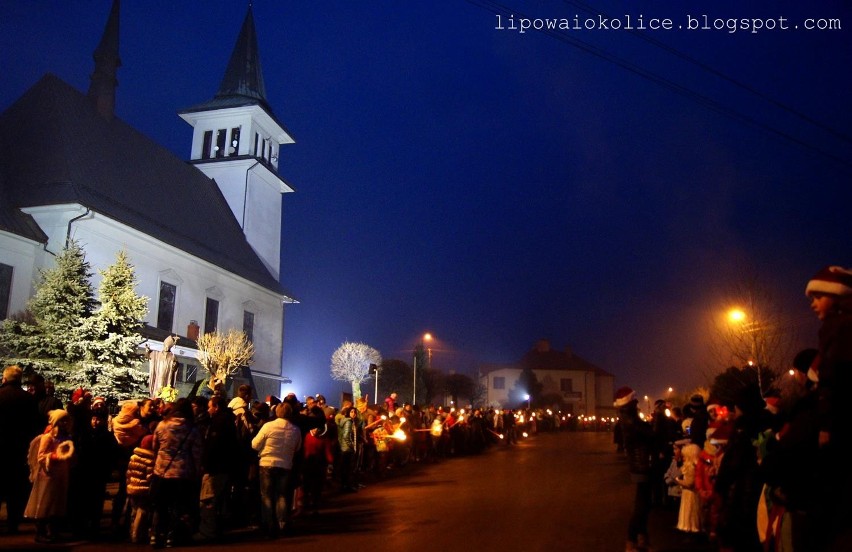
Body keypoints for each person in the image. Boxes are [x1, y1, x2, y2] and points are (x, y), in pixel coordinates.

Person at [804, 265, 852, 550]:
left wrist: (825, 426)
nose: (812, 303)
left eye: (818, 297)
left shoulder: (839, 328)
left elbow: (833, 379)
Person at [150, 398, 203, 548]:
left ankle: (155, 534)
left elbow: (155, 446)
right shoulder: (192, 429)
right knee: (177, 506)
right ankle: (171, 536)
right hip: (182, 472)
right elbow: (196, 453)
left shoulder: (162, 425)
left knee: (160, 505)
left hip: (161, 471)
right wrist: (196, 470)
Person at [251, 402, 302, 538]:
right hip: (285, 465)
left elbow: (255, 444)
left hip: (267, 463)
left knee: (266, 495)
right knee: (282, 495)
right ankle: (282, 523)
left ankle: (268, 524)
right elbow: (297, 448)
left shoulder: (268, 426)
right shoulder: (295, 430)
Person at [0, 365, 40, 535]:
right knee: (15, 491)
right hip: (19, 451)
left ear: (4, 378)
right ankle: (13, 524)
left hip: (0, 450)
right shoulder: (28, 399)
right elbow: (35, 427)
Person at [25, 409, 75, 543]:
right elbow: (41, 456)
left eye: (66, 420)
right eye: (62, 420)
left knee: (58, 503)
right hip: (48, 475)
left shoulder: (66, 437)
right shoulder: (48, 437)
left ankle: (53, 531)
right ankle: (40, 532)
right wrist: (55, 456)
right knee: (45, 503)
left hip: (62, 475)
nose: (64, 423)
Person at [614, 386, 655, 552]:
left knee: (644, 504)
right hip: (640, 464)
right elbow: (648, 433)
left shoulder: (629, 417)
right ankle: (632, 540)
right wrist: (654, 424)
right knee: (641, 505)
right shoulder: (629, 419)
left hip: (641, 463)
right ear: (629, 402)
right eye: (634, 400)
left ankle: (641, 538)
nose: (637, 403)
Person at [676, 443, 701, 537]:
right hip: (688, 493)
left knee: (690, 511)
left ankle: (690, 528)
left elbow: (689, 483)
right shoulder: (690, 466)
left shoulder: (691, 468)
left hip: (690, 494)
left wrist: (678, 481)